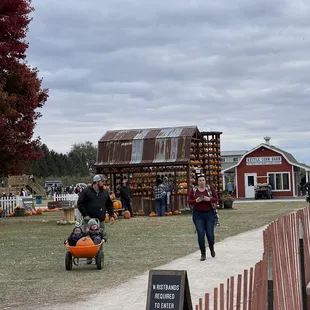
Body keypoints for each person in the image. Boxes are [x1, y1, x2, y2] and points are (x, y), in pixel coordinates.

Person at [188, 174, 219, 261]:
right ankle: (203, 253)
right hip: (198, 215)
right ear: (197, 182)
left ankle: (212, 248)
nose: (202, 182)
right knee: (200, 233)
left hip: (209, 214)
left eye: (203, 180)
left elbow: (216, 199)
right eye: (200, 180)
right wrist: (196, 201)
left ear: (205, 181)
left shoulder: (210, 189)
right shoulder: (194, 190)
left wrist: (208, 199)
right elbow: (189, 201)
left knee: (210, 233)